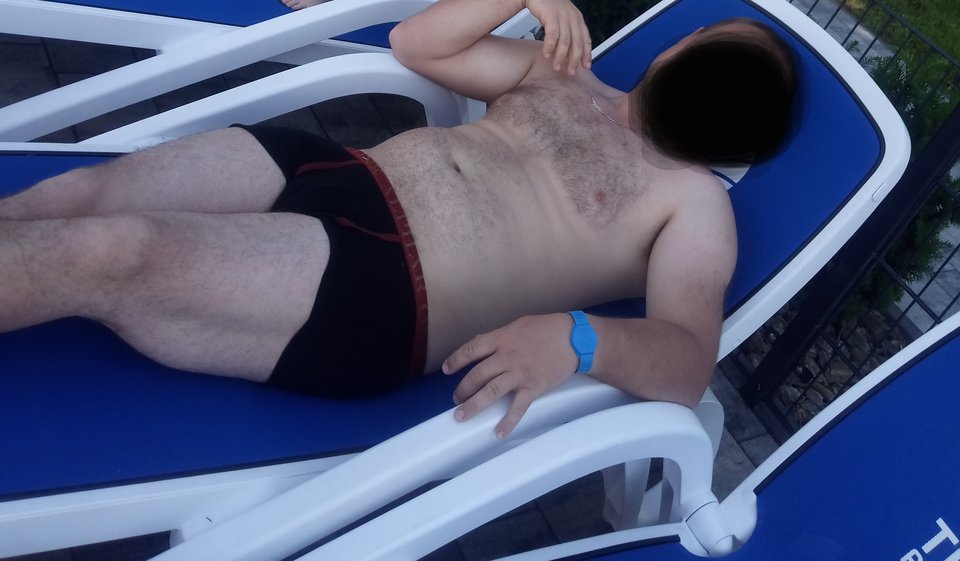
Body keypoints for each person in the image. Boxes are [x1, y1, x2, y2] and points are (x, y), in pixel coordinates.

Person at [0, 0, 795, 439]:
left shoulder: (693, 200)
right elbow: (417, 43)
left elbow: (687, 361)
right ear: (682, 45)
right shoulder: (559, 72)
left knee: (115, 251)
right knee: (75, 197)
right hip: (338, 170)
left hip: (380, 291)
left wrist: (577, 338)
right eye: (719, 46)